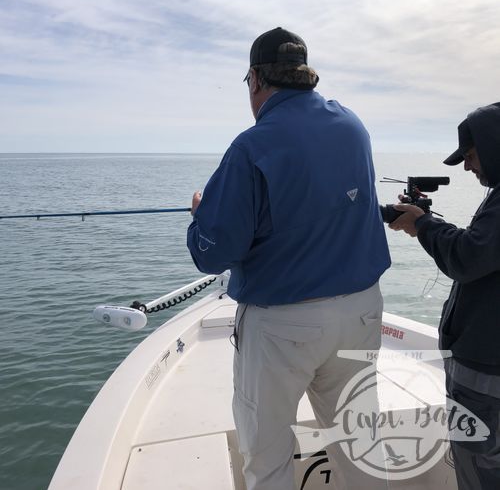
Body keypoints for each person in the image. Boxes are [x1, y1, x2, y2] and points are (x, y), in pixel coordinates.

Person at [187, 27, 391, 490]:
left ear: (256, 80)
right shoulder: (353, 125)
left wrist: (199, 219)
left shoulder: (252, 145)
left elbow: (215, 251)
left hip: (284, 326)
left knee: (268, 456)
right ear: (304, 75)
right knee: (361, 445)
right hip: (361, 311)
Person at [389, 102, 500, 489]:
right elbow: (485, 249)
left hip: (486, 378)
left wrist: (424, 226)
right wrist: (429, 225)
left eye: (470, 156)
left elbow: (469, 257)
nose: (468, 167)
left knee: (478, 474)